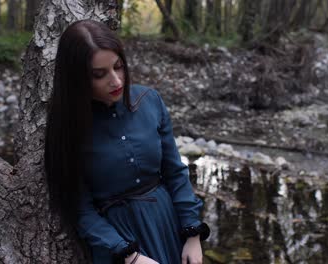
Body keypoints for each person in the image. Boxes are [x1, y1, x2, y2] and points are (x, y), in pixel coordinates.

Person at [44, 19, 209, 264]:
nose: (116, 81)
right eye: (100, 75)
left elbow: (174, 172)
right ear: (76, 79)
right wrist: (129, 256)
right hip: (116, 243)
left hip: (167, 225)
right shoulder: (66, 128)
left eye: (118, 67)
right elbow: (78, 208)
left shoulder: (150, 100)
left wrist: (192, 233)